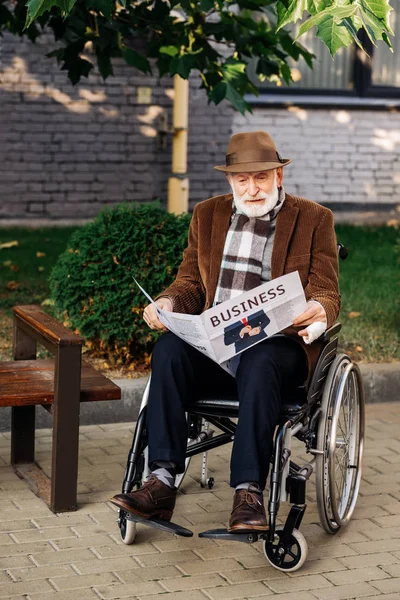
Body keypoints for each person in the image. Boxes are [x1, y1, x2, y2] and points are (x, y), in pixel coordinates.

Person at [111, 130, 340, 532]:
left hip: (276, 347)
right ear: (230, 181)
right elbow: (190, 285)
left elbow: (325, 288)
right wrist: (166, 304)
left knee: (260, 356)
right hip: (217, 343)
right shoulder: (208, 215)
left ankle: (248, 492)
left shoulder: (313, 218)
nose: (252, 189)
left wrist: (317, 308)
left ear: (278, 177)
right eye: (242, 180)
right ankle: (161, 481)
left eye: (261, 178)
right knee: (168, 350)